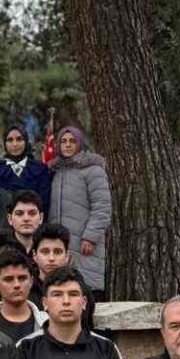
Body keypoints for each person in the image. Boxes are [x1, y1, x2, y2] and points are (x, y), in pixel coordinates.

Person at [48, 126, 112, 299]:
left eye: (72, 141)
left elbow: (102, 206)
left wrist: (90, 237)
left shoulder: (93, 170)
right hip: (60, 244)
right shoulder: (55, 171)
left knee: (87, 289)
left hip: (84, 243)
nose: (68, 145)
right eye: (64, 141)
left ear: (80, 143)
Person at [0, 247, 47, 343]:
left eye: (22, 278)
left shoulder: (49, 324)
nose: (16, 285)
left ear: (31, 281)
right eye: (9, 279)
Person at [0, 125, 53, 210]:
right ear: (4, 144)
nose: (15, 144)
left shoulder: (40, 169)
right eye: (10, 140)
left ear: (26, 141)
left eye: (19, 139)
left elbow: (44, 202)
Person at [5, 190, 45, 259]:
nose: (26, 219)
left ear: (41, 218)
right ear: (10, 219)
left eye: (32, 213)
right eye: (19, 213)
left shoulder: (51, 251)